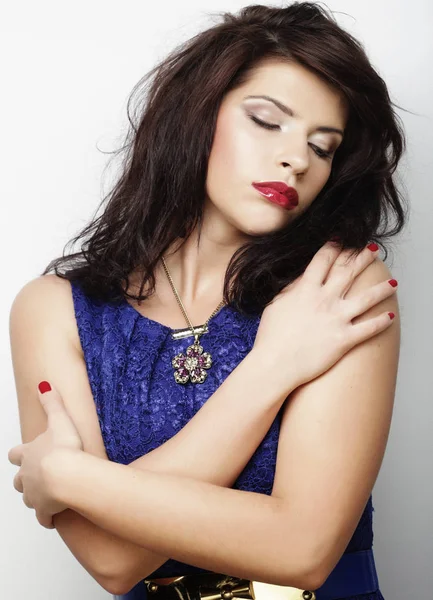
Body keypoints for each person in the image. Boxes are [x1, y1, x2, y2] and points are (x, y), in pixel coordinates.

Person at [7, 2, 407, 599]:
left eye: (323, 147)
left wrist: (67, 475)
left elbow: (302, 549)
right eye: (267, 121)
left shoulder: (338, 290)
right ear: (196, 116)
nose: (297, 159)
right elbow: (111, 561)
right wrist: (274, 368)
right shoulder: (53, 308)